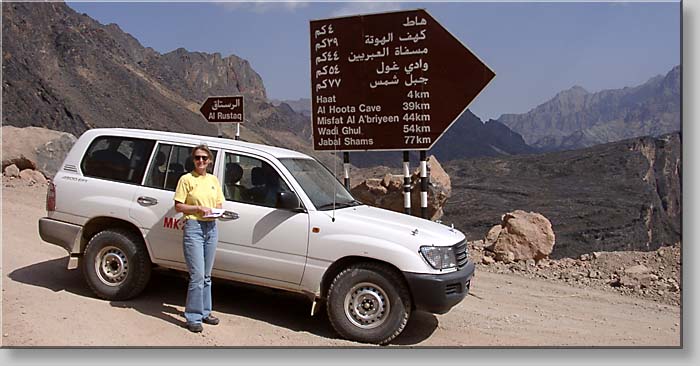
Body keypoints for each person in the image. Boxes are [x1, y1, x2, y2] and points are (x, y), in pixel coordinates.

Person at [173, 144, 224, 333]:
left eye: (204, 158)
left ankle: (205, 311)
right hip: (194, 227)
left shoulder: (213, 180)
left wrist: (216, 212)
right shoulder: (186, 180)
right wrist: (197, 209)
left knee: (207, 275)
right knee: (197, 275)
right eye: (197, 158)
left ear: (209, 160)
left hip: (211, 227)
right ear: (193, 160)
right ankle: (193, 316)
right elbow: (179, 206)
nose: (201, 161)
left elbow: (219, 202)